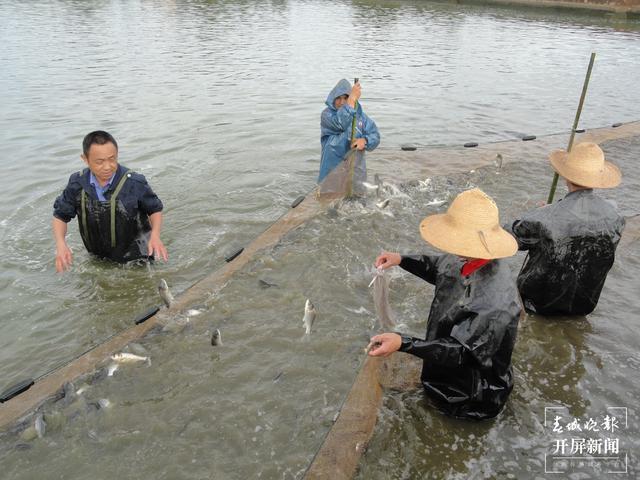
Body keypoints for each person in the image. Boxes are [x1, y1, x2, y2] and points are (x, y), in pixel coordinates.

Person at [368, 188, 521, 420]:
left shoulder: (493, 302)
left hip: (474, 392)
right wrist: (401, 260)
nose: (452, 247)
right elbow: (439, 267)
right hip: (445, 370)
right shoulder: (466, 256)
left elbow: (460, 352)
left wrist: (404, 343)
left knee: (452, 416)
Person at [506, 142, 625, 316]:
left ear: (566, 176)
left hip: (537, 304)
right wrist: (554, 210)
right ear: (597, 180)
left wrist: (542, 212)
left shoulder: (544, 217)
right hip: (583, 306)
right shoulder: (616, 217)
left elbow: (506, 237)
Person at [52, 130, 168, 272]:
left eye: (112, 159)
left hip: (137, 258)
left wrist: (155, 236)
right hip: (97, 257)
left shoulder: (134, 182)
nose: (107, 167)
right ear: (85, 159)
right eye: (99, 162)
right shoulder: (77, 183)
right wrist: (61, 243)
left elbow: (155, 210)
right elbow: (60, 216)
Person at [318, 79, 380, 183]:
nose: (342, 102)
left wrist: (365, 141)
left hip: (356, 174)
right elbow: (341, 123)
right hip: (331, 174)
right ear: (333, 98)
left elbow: (375, 136)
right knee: (329, 196)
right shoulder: (327, 115)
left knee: (358, 196)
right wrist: (351, 100)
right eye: (338, 98)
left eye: (346, 98)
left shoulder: (361, 118)